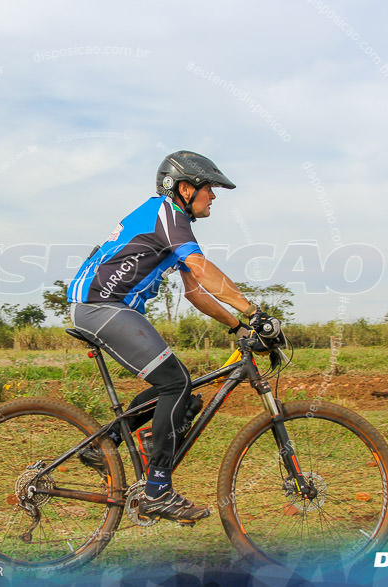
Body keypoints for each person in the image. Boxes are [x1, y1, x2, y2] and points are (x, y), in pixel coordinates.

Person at [67, 150, 270, 524]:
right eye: (210, 188)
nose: (215, 196)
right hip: (100, 305)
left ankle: (104, 445)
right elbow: (200, 268)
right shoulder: (166, 213)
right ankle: (157, 491)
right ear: (185, 188)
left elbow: (194, 291)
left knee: (177, 390)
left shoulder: (171, 221)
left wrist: (238, 326)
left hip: (105, 306)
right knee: (175, 383)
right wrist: (253, 312)